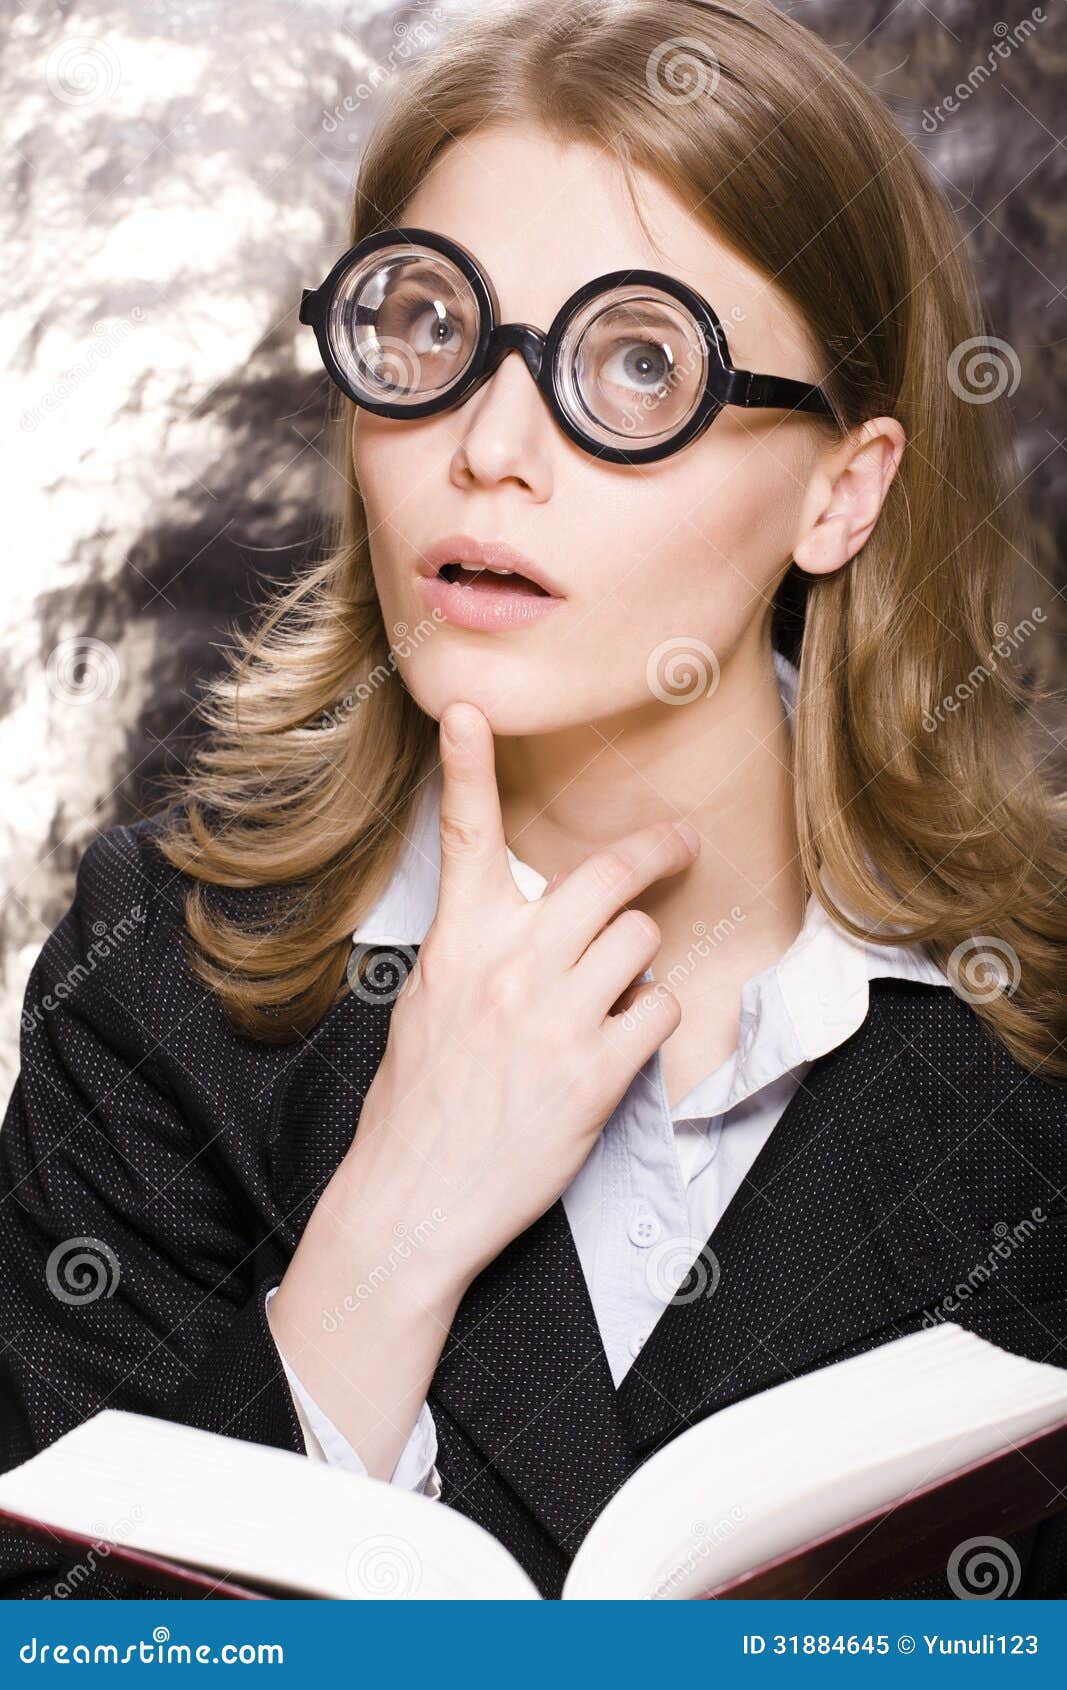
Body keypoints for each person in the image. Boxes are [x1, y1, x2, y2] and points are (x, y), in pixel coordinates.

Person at [2, 0, 1065, 1601]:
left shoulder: (1031, 1027)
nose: (487, 444)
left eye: (639, 363)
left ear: (841, 492)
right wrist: (389, 1232)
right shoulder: (152, 976)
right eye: (426, 327)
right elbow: (68, 1638)